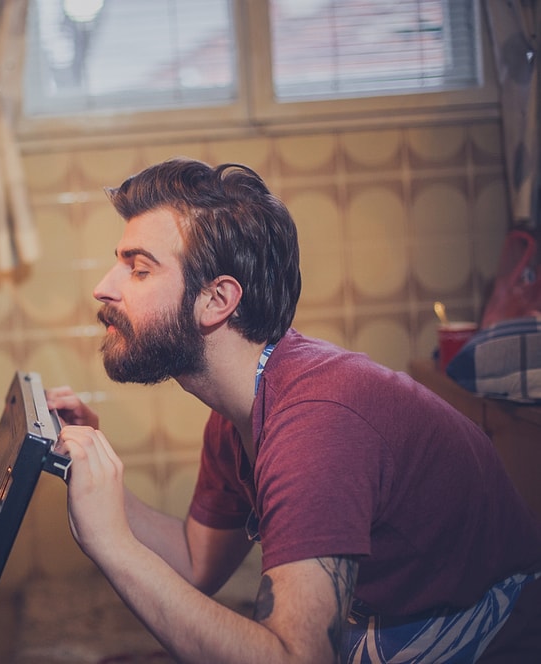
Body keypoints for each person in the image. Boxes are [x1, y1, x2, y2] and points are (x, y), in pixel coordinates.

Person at [46, 158, 541, 663]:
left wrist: (111, 544)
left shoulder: (316, 425)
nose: (104, 287)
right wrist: (93, 471)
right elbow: (198, 563)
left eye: (139, 268)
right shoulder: (237, 410)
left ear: (217, 299)